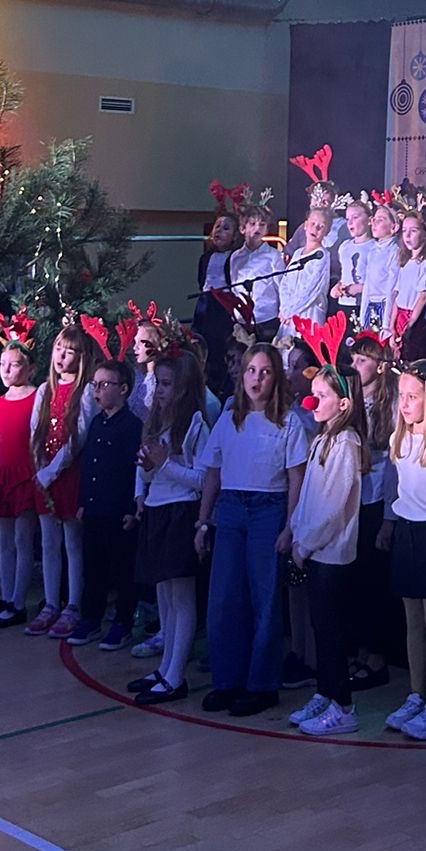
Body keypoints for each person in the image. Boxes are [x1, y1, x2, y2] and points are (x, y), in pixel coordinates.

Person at [195, 343, 309, 716]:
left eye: (265, 371)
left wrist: (290, 526)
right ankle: (228, 680)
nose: (256, 378)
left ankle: (261, 685)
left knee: (264, 597)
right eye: (251, 371)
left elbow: (296, 477)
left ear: (276, 378)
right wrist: (203, 521)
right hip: (230, 509)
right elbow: (213, 473)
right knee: (225, 597)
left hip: (268, 509)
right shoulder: (230, 419)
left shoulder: (289, 422)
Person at [285, 363, 366, 736]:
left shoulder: (346, 443)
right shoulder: (322, 439)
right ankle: (325, 692)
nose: (312, 402)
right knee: (320, 628)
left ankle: (344, 706)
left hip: (331, 553)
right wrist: (296, 532)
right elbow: (309, 497)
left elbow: (333, 506)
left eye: (321, 396)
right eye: (313, 394)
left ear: (344, 403)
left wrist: (307, 543)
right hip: (315, 550)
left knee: (332, 633)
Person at [130, 349, 213, 702]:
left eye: (167, 384)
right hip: (157, 509)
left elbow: (204, 479)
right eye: (158, 383)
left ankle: (176, 676)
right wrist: (147, 473)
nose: (160, 391)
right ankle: (165, 668)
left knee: (181, 596)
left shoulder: (195, 424)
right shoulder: (157, 423)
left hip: (182, 512)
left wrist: (164, 464)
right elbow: (150, 472)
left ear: (184, 387)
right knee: (164, 594)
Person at [382, 361, 426, 740]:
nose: (405, 404)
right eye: (402, 396)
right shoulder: (399, 440)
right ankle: (417, 693)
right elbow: (396, 489)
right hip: (407, 532)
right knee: (412, 622)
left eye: (413, 397)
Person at [25, 323, 102, 640]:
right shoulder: (45, 390)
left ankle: (72, 604)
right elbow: (35, 432)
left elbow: (78, 437)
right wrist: (40, 467)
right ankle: (50, 603)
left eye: (70, 352)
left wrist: (53, 470)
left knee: (72, 542)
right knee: (48, 543)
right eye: (59, 349)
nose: (61, 356)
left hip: (69, 475)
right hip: (45, 477)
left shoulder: (85, 393)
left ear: (81, 357)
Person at [70, 357, 143, 652]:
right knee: (94, 568)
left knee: (122, 570)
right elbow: (89, 465)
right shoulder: (97, 423)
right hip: (95, 508)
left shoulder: (132, 426)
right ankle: (91, 618)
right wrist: (83, 501)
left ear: (123, 389)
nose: (98, 390)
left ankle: (123, 622)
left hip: (118, 511)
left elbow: (134, 471)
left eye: (104, 384)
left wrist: (131, 509)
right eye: (95, 384)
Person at [0, 337, 40, 630]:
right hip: (3, 475)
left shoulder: (37, 398)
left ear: (30, 369)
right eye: (2, 364)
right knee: (4, 541)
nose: (6, 370)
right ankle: (5, 598)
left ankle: (18, 601)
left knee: (22, 539)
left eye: (13, 365)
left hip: (25, 474)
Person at [348, 331, 395, 691]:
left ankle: (377, 657)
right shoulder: (350, 399)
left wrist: (389, 519)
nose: (355, 365)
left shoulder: (388, 405)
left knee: (374, 581)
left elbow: (392, 464)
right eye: (353, 359)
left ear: (380, 367)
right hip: (351, 499)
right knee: (357, 581)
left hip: (377, 499)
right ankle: (360, 650)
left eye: (362, 360)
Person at [194, 211, 239, 394]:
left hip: (224, 305)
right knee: (202, 342)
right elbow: (201, 280)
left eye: (226, 228)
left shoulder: (234, 257)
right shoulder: (205, 257)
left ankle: (222, 385)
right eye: (217, 226)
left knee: (220, 344)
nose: (219, 230)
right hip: (205, 303)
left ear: (235, 236)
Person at [276, 208, 334, 341]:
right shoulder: (297, 253)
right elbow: (285, 282)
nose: (316, 228)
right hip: (289, 314)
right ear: (306, 225)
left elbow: (312, 288)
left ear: (327, 231)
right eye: (313, 224)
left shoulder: (322, 256)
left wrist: (290, 311)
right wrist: (284, 307)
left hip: (308, 313)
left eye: (321, 226)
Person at [230, 203, 284, 339]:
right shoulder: (235, 257)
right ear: (243, 228)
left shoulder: (273, 255)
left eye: (262, 225)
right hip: (242, 318)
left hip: (266, 317)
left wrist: (282, 310)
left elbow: (281, 286)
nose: (257, 228)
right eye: (252, 224)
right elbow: (234, 286)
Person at [392, 210, 426, 360]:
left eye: (413, 231)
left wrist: (410, 323)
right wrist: (392, 325)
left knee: (411, 355)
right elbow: (398, 296)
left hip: (413, 318)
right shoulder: (405, 263)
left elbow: (423, 297)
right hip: (399, 316)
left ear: (425, 234)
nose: (407, 235)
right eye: (404, 230)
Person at [359, 203, 403, 336]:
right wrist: (362, 317)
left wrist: (386, 324)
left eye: (380, 220)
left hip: (384, 306)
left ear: (394, 227)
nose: (374, 223)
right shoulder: (373, 250)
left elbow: (392, 288)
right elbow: (367, 284)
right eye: (374, 219)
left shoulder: (394, 251)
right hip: (371, 305)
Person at [330, 198, 373, 316]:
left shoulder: (374, 247)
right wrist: (338, 286)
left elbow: (379, 281)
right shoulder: (344, 247)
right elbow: (345, 275)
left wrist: (359, 288)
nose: (350, 223)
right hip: (344, 303)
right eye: (348, 219)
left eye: (355, 217)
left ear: (369, 220)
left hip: (364, 304)